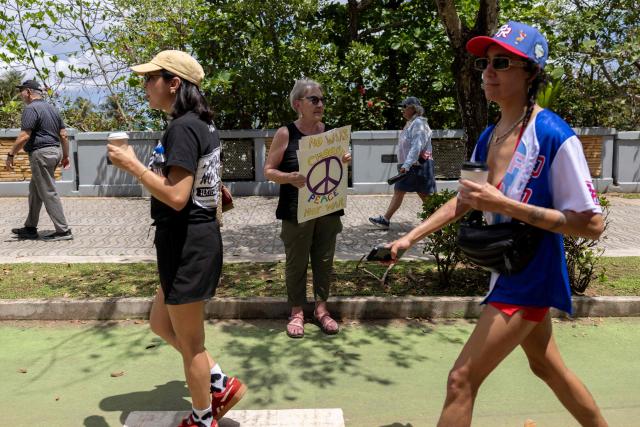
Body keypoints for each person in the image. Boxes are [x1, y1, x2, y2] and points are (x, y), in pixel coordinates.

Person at [388, 22, 608, 426]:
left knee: (461, 379)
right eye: (485, 62)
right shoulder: (490, 135)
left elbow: (592, 224)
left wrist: (507, 204)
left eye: (502, 62)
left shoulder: (554, 136)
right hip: (506, 268)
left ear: (530, 74)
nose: (489, 71)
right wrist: (408, 238)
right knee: (546, 366)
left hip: (531, 274)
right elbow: (465, 200)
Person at [107, 50, 245, 427]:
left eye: (151, 78)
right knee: (160, 323)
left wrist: (132, 165)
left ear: (175, 84)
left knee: (192, 346)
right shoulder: (198, 124)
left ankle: (203, 418)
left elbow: (176, 195)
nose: (145, 85)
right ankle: (220, 383)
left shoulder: (183, 127)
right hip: (186, 241)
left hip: (188, 244)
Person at [264, 79, 351, 339]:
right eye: (314, 99)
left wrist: (345, 160)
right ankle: (297, 312)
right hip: (296, 211)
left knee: (324, 261)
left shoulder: (332, 134)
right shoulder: (285, 134)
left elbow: (336, 171)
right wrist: (289, 177)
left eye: (322, 99)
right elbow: (268, 171)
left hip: (328, 208)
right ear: (297, 104)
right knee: (296, 262)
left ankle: (322, 310)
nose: (320, 104)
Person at [5, 79, 73, 241]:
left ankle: (63, 231)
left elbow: (24, 135)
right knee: (35, 191)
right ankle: (30, 228)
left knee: (48, 191)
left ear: (28, 92)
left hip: (41, 154)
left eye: (21, 90)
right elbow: (63, 134)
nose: (20, 94)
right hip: (54, 151)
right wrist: (65, 155)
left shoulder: (31, 108)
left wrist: (10, 154)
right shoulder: (52, 109)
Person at [369, 96, 436, 229]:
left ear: (413, 108)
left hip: (417, 166)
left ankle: (438, 222)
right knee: (401, 191)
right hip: (412, 166)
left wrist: (406, 165)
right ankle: (386, 220)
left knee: (423, 195)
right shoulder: (411, 123)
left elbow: (417, 146)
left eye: (404, 107)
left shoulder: (419, 123)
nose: (402, 110)